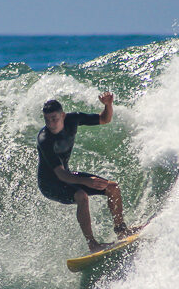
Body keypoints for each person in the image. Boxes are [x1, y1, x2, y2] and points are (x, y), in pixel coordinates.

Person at [37, 92, 138, 252]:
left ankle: (121, 230)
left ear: (63, 115)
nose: (51, 123)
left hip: (67, 176)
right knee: (81, 196)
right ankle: (92, 244)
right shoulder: (45, 140)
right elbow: (60, 174)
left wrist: (108, 105)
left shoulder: (73, 119)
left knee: (112, 187)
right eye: (47, 120)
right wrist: (86, 181)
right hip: (50, 184)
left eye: (54, 118)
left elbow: (105, 119)